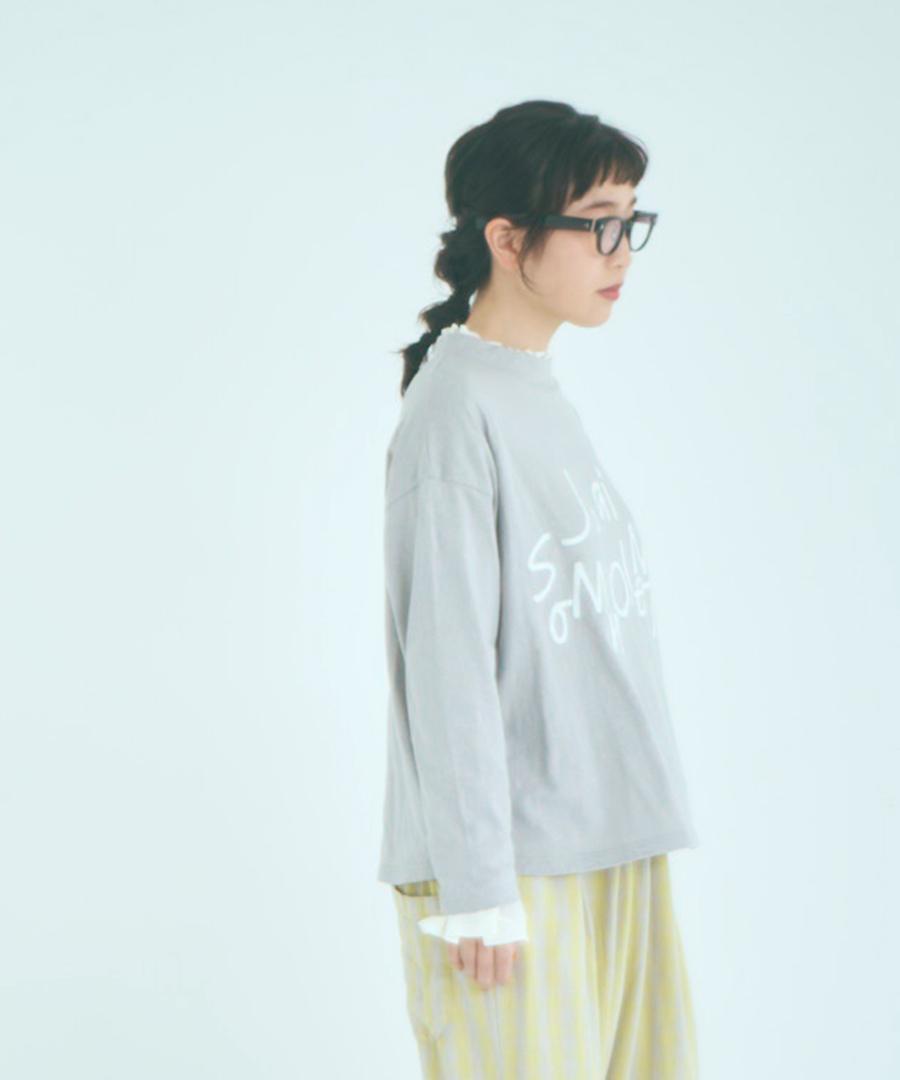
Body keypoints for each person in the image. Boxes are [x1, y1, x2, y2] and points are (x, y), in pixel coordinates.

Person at [376, 98, 700, 1078]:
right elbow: (448, 664)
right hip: (514, 867)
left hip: (611, 838)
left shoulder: (535, 392)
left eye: (631, 222)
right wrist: (478, 885)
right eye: (597, 223)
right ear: (507, 237)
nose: (621, 251)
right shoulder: (454, 409)